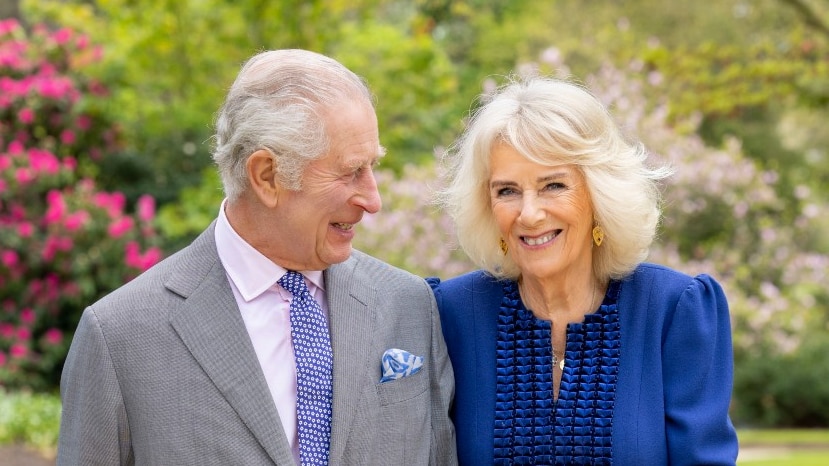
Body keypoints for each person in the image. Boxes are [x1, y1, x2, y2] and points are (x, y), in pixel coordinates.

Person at [58, 49, 456, 466]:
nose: (373, 199)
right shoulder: (120, 337)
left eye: (372, 166)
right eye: (351, 171)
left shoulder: (409, 305)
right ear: (266, 175)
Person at [428, 76, 738, 465]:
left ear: (599, 192)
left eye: (553, 185)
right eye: (507, 191)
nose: (529, 213)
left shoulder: (675, 310)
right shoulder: (449, 314)